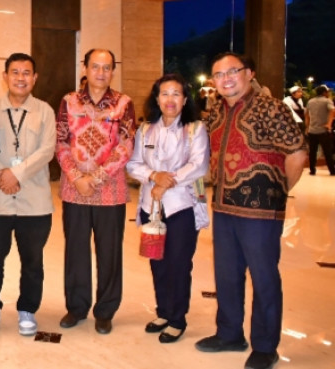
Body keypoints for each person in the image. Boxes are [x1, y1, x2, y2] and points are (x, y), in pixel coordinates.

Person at [195, 52, 306, 369]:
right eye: (218, 74)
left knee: (263, 277)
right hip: (224, 207)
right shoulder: (217, 111)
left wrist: (279, 190)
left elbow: (297, 153)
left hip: (261, 214)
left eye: (232, 71)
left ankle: (266, 346)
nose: (225, 79)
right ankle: (229, 334)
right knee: (226, 275)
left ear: (249, 73)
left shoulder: (271, 108)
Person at [56, 48, 135, 335]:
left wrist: (97, 177)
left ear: (113, 70)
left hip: (111, 191)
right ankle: (76, 308)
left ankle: (105, 311)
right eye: (96, 66)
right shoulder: (69, 101)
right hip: (74, 189)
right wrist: (77, 177)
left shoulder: (123, 103)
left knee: (109, 253)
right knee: (76, 251)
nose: (101, 72)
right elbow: (61, 142)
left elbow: (126, 146)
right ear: (85, 68)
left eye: (107, 67)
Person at [126, 74, 209, 344]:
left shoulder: (195, 129)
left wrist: (165, 182)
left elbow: (198, 165)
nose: (170, 99)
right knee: (157, 262)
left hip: (182, 206)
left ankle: (177, 319)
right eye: (164, 93)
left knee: (179, 264)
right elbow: (133, 164)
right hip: (151, 207)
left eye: (176, 94)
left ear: (185, 100)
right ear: (157, 98)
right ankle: (163, 312)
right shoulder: (145, 130)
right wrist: (154, 176)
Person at [0, 53, 55, 336]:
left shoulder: (45, 111)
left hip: (35, 201)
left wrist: (17, 174)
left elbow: (47, 150)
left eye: (26, 73)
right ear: (5, 76)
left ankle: (27, 309)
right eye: (15, 72)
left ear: (34, 78)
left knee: (32, 260)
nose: (20, 78)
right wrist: (2, 174)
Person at [304, 85, 335, 176]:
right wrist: (329, 124)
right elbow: (333, 110)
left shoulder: (310, 101)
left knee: (312, 152)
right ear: (324, 92)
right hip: (323, 130)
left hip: (312, 130)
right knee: (327, 151)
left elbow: (306, 115)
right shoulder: (327, 101)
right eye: (327, 92)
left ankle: (312, 170)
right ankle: (332, 170)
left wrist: (307, 127)